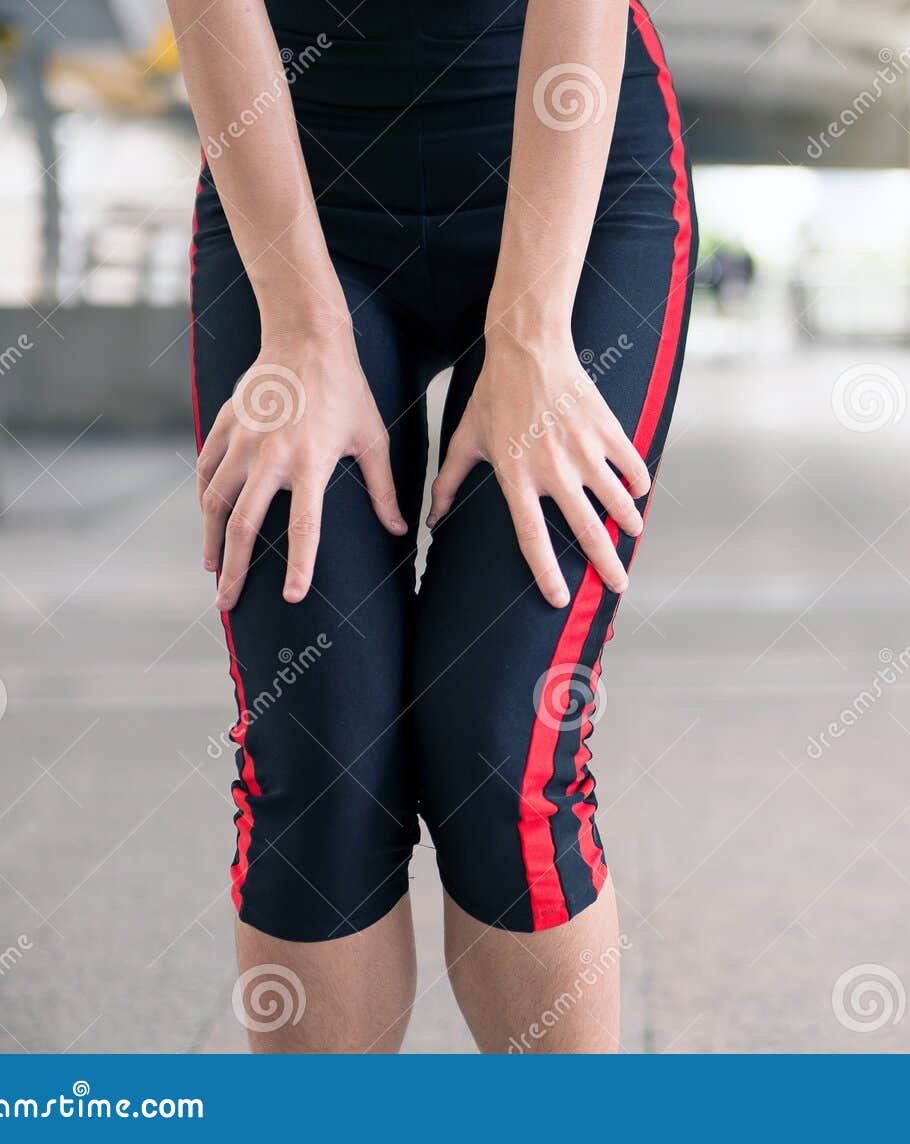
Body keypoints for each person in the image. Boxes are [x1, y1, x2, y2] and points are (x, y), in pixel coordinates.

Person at [171, 0, 694, 1052]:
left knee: (502, 751)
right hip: (298, 178)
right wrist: (305, 329)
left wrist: (536, 337)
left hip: (572, 176)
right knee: (321, 756)